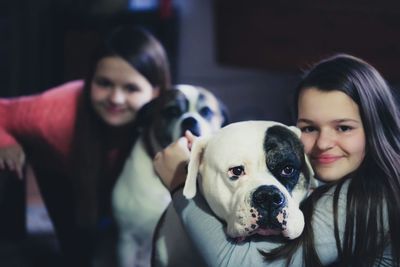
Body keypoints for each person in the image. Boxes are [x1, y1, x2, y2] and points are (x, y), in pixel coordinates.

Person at [153, 54, 400, 266]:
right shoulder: (331, 176)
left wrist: (178, 183)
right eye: (310, 128)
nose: (323, 143)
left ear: (375, 128)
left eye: (344, 128)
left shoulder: (370, 196)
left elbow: (241, 264)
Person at [0, 25, 171, 265]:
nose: (116, 98)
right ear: (90, 80)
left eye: (131, 88)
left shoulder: (169, 117)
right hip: (62, 168)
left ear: (156, 92)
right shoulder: (54, 113)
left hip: (114, 173)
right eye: (104, 83)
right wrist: (5, 141)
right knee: (79, 253)